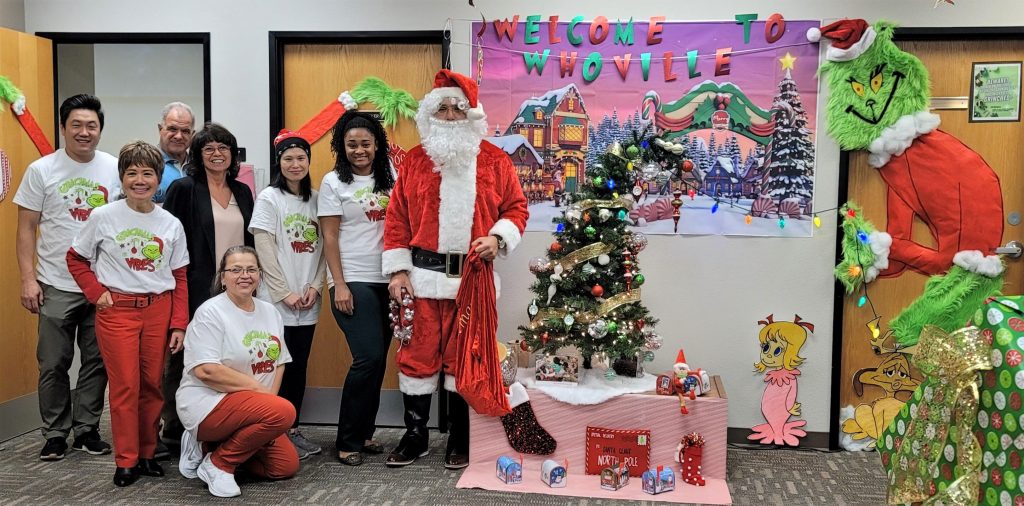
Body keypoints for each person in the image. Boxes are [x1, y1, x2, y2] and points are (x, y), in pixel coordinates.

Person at [381, 70, 528, 469]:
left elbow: (516, 209)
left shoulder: (496, 161)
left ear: (471, 114)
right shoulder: (414, 162)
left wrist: (497, 240)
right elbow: (396, 219)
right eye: (441, 108)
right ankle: (415, 436)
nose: (448, 115)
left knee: (465, 359)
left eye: (456, 108)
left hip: (472, 282)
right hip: (421, 280)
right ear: (431, 114)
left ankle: (460, 436)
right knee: (416, 359)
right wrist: (397, 271)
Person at [65, 141, 190, 486]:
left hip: (158, 310)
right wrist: (96, 292)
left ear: (157, 179)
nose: (139, 180)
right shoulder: (102, 216)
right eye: (131, 173)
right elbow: (76, 258)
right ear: (121, 178)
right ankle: (126, 460)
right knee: (124, 387)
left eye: (147, 173)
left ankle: (148, 453)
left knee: (152, 386)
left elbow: (179, 276)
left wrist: (179, 323)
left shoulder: (170, 223)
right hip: (117, 311)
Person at [14, 93, 119, 461]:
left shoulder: (114, 167)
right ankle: (55, 432)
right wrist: (28, 279)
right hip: (55, 282)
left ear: (100, 130)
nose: (84, 132)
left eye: (91, 125)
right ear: (63, 128)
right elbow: (26, 229)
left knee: (98, 359)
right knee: (54, 361)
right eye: (76, 124)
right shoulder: (41, 170)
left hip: (102, 284)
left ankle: (87, 428)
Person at [176, 246, 298, 498]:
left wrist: (268, 403)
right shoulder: (210, 312)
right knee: (284, 411)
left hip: (252, 405)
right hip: (208, 403)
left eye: (252, 269)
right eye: (236, 270)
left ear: (260, 275)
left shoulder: (270, 312)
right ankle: (218, 463)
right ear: (222, 277)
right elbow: (206, 371)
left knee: (284, 466)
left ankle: (212, 447)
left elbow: (280, 362)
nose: (245, 275)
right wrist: (265, 399)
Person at [161, 123, 255, 448]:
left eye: (223, 148)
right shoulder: (184, 189)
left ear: (232, 154)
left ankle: (220, 424)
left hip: (236, 289)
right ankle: (174, 430)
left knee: (229, 358)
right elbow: (168, 242)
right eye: (209, 149)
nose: (217, 154)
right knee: (185, 359)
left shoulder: (242, 191)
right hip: (194, 288)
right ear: (198, 156)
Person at [318, 111, 396, 466]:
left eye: (365, 143)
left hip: (390, 280)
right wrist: (339, 284)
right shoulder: (334, 182)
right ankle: (347, 440)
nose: (359, 150)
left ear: (377, 144)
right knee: (369, 357)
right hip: (355, 280)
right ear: (342, 147)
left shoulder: (392, 176)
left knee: (378, 363)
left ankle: (364, 434)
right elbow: (329, 237)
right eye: (352, 144)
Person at [249, 130, 326, 460]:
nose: (296, 164)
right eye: (288, 158)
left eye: (301, 158)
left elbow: (325, 248)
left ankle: (290, 429)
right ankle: (269, 429)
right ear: (279, 163)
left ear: (309, 161)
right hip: (276, 301)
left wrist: (315, 287)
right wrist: (283, 293)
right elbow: (263, 247)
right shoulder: (269, 198)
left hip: (307, 299)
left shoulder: (318, 199)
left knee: (298, 366)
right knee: (273, 365)